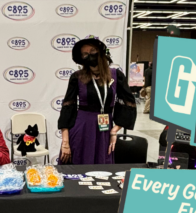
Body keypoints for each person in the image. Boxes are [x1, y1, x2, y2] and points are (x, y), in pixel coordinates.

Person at [58, 35, 137, 165]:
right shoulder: (77, 77)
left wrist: (114, 131)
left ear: (101, 52)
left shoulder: (116, 75)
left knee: (102, 167)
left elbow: (129, 103)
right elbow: (68, 108)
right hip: (82, 128)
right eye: (85, 54)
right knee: (79, 165)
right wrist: (65, 143)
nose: (89, 55)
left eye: (93, 51)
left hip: (105, 130)